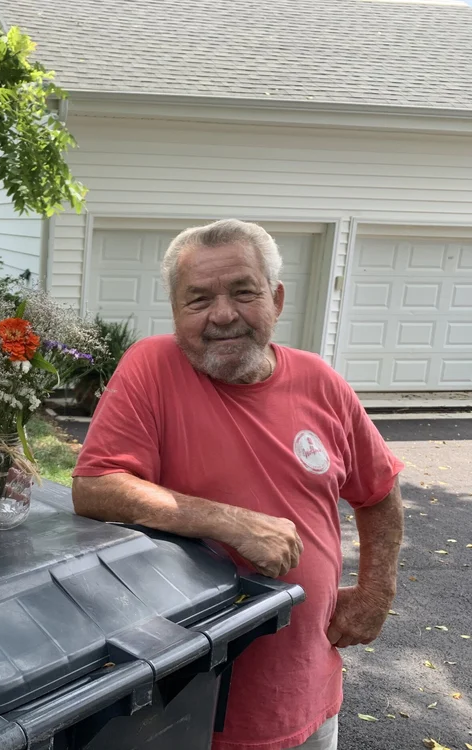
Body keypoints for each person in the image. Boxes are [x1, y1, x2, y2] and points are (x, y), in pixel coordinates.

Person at [72, 219, 404, 750]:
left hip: (308, 694)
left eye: (243, 292)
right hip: (188, 707)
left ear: (275, 298)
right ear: (177, 312)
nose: (222, 314)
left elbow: (380, 492)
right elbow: (95, 486)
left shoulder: (321, 382)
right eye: (198, 299)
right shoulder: (152, 367)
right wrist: (229, 522)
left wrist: (375, 591)